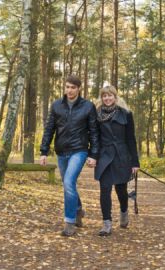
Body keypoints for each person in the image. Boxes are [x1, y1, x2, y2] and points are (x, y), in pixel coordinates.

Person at [40, 75, 99, 237]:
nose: (70, 90)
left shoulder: (88, 106)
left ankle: (69, 222)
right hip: (61, 151)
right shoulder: (57, 105)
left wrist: (93, 154)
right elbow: (49, 129)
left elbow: (94, 132)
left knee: (68, 182)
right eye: (67, 87)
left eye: (73, 87)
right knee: (68, 185)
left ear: (79, 88)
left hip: (79, 150)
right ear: (64, 88)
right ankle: (79, 210)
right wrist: (44, 151)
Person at [94, 85, 140, 236]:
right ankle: (106, 223)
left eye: (110, 95)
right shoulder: (96, 114)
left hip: (122, 156)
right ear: (101, 98)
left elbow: (131, 139)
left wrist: (135, 162)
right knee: (105, 189)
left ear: (115, 97)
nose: (107, 98)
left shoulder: (126, 114)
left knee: (121, 190)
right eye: (104, 96)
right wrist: (93, 156)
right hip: (105, 157)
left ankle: (124, 212)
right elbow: (94, 138)